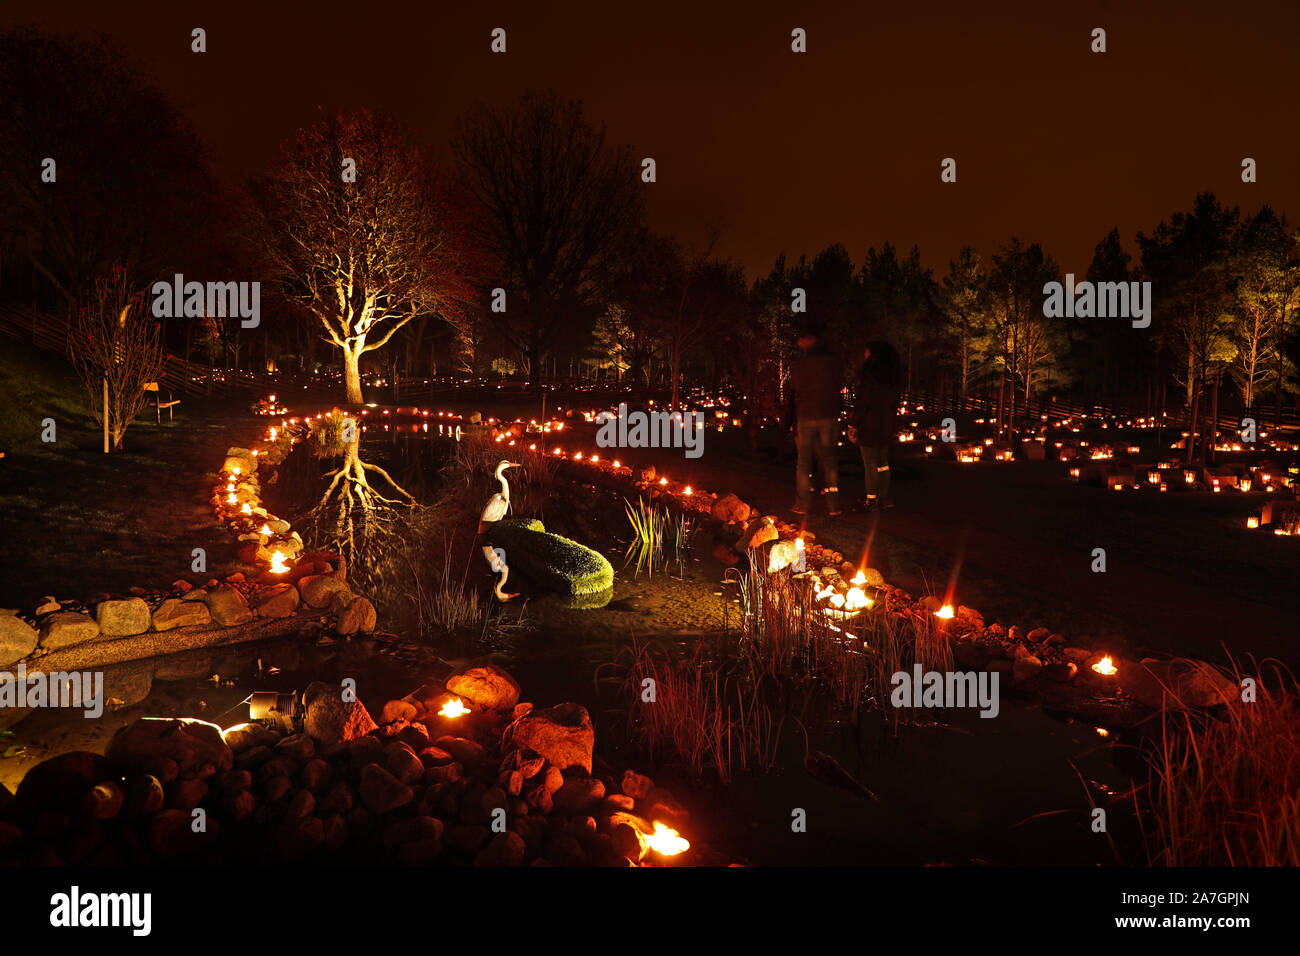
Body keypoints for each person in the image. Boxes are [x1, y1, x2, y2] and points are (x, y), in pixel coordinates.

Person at [783, 327, 842, 515]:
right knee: (829, 460)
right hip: (828, 415)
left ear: (807, 341)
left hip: (806, 415)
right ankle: (834, 505)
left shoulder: (801, 364)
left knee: (803, 462)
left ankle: (802, 504)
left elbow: (795, 388)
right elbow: (839, 385)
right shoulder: (833, 362)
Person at [847, 340, 901, 510]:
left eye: (867, 351)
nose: (864, 354)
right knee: (883, 463)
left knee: (870, 463)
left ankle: (871, 499)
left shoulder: (869, 375)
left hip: (870, 424)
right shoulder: (892, 376)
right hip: (886, 424)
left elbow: (863, 402)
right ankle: (883, 497)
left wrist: (853, 425)